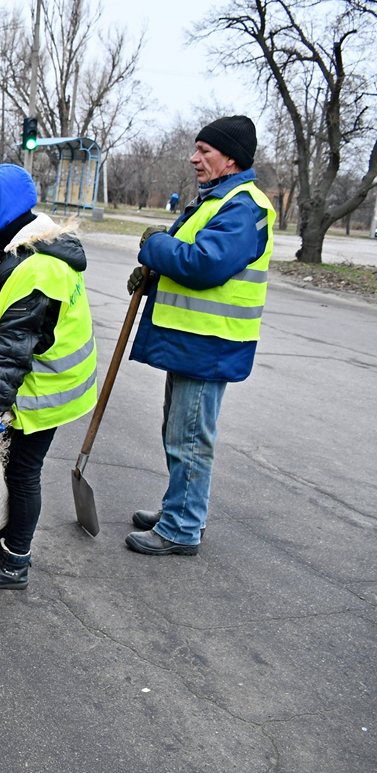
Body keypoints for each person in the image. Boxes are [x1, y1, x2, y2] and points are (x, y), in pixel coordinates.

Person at [124, 115, 274, 556]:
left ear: (231, 159)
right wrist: (153, 279)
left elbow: (205, 265)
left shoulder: (244, 206)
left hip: (210, 345)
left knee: (189, 437)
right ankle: (182, 508)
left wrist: (155, 246)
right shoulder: (216, 200)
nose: (194, 158)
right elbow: (189, 262)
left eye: (205, 151)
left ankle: (181, 527)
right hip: (193, 342)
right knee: (179, 431)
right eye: (196, 149)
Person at [0, 164, 97, 590]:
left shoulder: (34, 271)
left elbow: (14, 352)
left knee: (22, 471)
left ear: (2, 213)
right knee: (14, 466)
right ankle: (4, 536)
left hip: (48, 389)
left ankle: (14, 561)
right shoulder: (31, 253)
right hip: (49, 379)